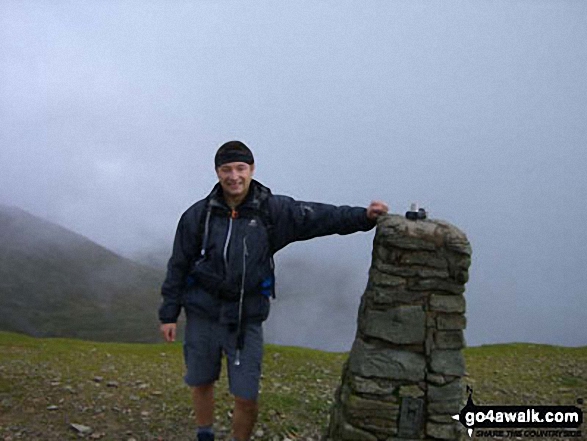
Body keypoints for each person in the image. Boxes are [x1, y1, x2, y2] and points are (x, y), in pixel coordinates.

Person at [158, 141, 388, 441]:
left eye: (240, 168)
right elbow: (179, 264)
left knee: (246, 395)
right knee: (201, 382)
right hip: (202, 314)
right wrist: (169, 314)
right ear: (217, 172)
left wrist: (363, 217)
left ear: (252, 169)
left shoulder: (273, 211)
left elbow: (318, 216)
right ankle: (205, 434)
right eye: (226, 169)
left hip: (246, 318)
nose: (234, 176)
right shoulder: (197, 216)